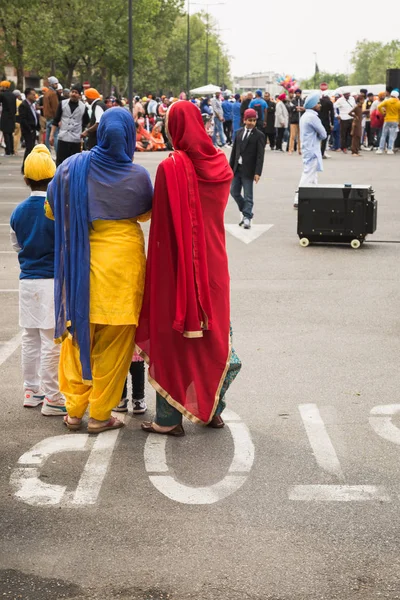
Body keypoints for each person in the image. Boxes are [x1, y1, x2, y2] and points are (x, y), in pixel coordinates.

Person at [136, 101, 241, 436]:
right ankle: (212, 410)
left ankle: (168, 420)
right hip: (214, 264)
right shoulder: (220, 166)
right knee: (214, 335)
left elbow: (164, 227)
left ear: (175, 128)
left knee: (174, 338)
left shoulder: (171, 168)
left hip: (178, 265)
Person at [46, 108, 153, 433]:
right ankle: (100, 415)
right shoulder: (137, 176)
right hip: (123, 269)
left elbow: (51, 211)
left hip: (82, 267)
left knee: (78, 340)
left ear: (99, 132)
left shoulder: (70, 169)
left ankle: (75, 411)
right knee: (115, 346)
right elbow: (146, 214)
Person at [10, 145, 66, 415]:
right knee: (50, 340)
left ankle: (32, 390)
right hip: (51, 281)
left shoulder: (18, 212)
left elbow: (17, 246)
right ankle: (53, 397)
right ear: (53, 177)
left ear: (26, 178)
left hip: (27, 281)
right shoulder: (54, 209)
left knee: (29, 338)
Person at [229, 108, 265, 230]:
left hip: (249, 170)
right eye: (249, 120)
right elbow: (234, 152)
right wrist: (229, 169)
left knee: (248, 195)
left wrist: (257, 172)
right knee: (234, 192)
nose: (251, 123)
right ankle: (246, 211)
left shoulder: (259, 135)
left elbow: (260, 156)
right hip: (236, 169)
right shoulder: (238, 133)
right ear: (244, 120)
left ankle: (247, 217)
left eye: (254, 120)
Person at [293, 93, 327, 208]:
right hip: (312, 149)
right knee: (308, 173)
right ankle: (298, 197)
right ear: (313, 105)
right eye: (317, 103)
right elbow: (323, 134)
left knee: (312, 174)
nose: (319, 105)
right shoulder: (313, 117)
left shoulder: (305, 116)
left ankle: (314, 196)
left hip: (307, 148)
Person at [50, 84, 89, 166]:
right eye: (72, 92)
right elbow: (56, 120)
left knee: (74, 163)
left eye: (76, 92)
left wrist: (83, 132)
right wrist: (51, 135)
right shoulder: (62, 104)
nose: (74, 94)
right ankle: (59, 177)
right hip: (63, 137)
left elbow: (86, 122)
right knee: (60, 162)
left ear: (79, 95)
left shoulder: (83, 107)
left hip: (76, 139)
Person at [19, 88, 40, 173]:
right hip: (28, 130)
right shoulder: (24, 105)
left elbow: (34, 117)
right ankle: (24, 168)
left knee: (31, 149)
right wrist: (29, 129)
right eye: (33, 94)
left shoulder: (32, 105)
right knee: (29, 149)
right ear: (28, 95)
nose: (34, 96)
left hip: (33, 130)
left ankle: (28, 166)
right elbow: (23, 119)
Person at [376, 90, 400, 155]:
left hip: (387, 119)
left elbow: (379, 106)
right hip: (395, 120)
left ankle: (380, 149)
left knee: (383, 135)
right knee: (392, 135)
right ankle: (390, 149)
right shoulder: (398, 103)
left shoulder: (387, 101)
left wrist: (383, 113)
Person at [43, 76, 60, 151]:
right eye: (55, 84)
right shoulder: (53, 94)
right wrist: (58, 118)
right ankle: (57, 152)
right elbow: (55, 107)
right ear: (52, 84)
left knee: (47, 136)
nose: (57, 85)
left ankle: (47, 151)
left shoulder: (46, 93)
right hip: (53, 117)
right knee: (56, 135)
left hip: (47, 117)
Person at [0, 80, 17, 156]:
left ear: (4, 87)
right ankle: (12, 151)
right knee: (10, 135)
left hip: (5, 117)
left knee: (6, 134)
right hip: (12, 117)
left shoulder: (2, 95)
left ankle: (7, 151)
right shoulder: (13, 95)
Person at [288, 89, 304, 154]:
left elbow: (304, 108)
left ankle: (299, 149)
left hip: (301, 121)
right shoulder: (292, 101)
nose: (298, 94)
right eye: (296, 93)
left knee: (300, 136)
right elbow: (290, 108)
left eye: (299, 93)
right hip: (293, 121)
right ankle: (290, 149)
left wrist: (300, 108)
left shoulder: (302, 101)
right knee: (292, 136)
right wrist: (296, 108)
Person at [319, 91, 335, 158]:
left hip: (318, 121)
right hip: (326, 122)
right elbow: (331, 114)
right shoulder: (329, 103)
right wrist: (332, 124)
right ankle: (322, 152)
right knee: (325, 138)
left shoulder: (319, 102)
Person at [13, 89, 22, 154]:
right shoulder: (20, 102)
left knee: (12, 134)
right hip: (18, 119)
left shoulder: (11, 101)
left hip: (12, 119)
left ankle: (11, 148)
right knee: (17, 135)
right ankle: (15, 150)